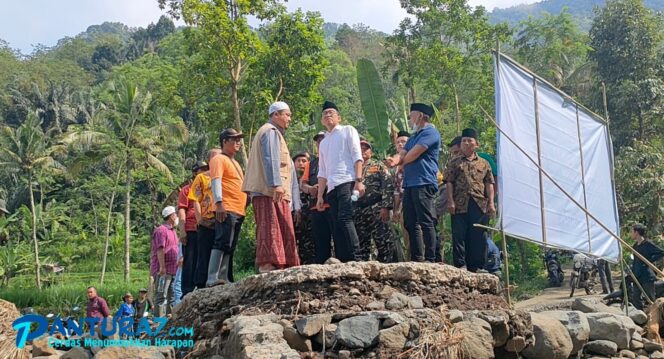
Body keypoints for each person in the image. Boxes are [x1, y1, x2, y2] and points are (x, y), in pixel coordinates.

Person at [242, 101, 300, 272]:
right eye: (287, 114)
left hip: (270, 190)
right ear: (276, 115)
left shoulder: (271, 132)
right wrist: (276, 184)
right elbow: (271, 159)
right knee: (270, 227)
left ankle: (280, 263)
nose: (290, 118)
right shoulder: (270, 132)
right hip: (269, 190)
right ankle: (268, 264)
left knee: (279, 226)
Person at [388, 103, 441, 262]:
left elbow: (413, 154)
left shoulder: (430, 133)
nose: (410, 119)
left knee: (426, 220)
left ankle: (431, 258)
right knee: (410, 222)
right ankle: (418, 258)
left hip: (423, 182)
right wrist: (393, 161)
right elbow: (403, 153)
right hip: (409, 184)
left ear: (420, 115)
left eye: (412, 115)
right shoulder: (413, 137)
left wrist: (400, 162)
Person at [316, 101, 364, 262]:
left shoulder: (347, 131)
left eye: (331, 112)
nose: (328, 115)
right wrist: (319, 196)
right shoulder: (323, 143)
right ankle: (343, 259)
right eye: (325, 114)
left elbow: (357, 156)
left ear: (339, 117)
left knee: (345, 218)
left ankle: (356, 257)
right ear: (322, 121)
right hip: (331, 187)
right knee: (336, 224)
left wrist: (359, 180)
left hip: (347, 181)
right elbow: (322, 172)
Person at [444, 128, 496, 272]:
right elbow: (449, 182)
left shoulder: (484, 163)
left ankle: (478, 266)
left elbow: (489, 183)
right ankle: (461, 265)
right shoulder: (454, 163)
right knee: (459, 235)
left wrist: (491, 203)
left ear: (476, 144)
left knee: (479, 235)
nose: (466, 143)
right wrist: (450, 201)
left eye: (469, 141)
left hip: (479, 204)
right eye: (463, 141)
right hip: (459, 204)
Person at [208, 128, 248, 286]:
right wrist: (219, 202)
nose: (238, 142)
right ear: (225, 142)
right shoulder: (219, 159)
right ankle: (212, 277)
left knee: (230, 244)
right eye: (234, 139)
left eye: (239, 139)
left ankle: (223, 276)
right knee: (221, 241)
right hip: (226, 207)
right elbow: (216, 180)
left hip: (238, 209)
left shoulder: (235, 162)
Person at [352, 139, 398, 262]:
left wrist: (386, 207)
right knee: (361, 243)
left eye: (365, 148)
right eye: (360, 148)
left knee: (383, 241)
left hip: (376, 208)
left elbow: (387, 186)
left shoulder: (378, 166)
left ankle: (386, 268)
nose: (362, 151)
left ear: (371, 152)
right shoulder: (352, 168)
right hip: (358, 210)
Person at [300, 132, 336, 263]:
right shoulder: (311, 164)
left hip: (333, 205)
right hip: (315, 208)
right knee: (320, 242)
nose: (320, 143)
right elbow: (303, 183)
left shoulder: (335, 158)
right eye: (318, 141)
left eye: (323, 140)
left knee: (339, 238)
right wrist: (310, 189)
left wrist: (322, 187)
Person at [188, 150, 222, 288]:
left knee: (222, 249)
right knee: (203, 253)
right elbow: (195, 199)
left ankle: (221, 277)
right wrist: (199, 219)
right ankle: (201, 283)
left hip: (222, 219)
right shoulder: (202, 178)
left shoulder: (224, 176)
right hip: (206, 220)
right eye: (215, 156)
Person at [178, 161, 207, 297]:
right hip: (191, 228)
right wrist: (182, 230)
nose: (204, 172)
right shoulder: (186, 190)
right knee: (189, 261)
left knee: (203, 258)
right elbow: (182, 210)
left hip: (205, 228)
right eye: (201, 170)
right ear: (195, 173)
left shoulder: (207, 189)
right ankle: (187, 291)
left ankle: (202, 287)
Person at [151, 206, 180, 316]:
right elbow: (160, 249)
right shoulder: (161, 230)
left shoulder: (173, 231)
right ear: (171, 216)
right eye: (175, 214)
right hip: (163, 270)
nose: (176, 216)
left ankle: (170, 319)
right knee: (161, 295)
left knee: (172, 296)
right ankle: (158, 321)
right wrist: (162, 267)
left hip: (173, 270)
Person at [630, 223, 664, 310]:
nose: (631, 233)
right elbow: (635, 261)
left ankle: (657, 318)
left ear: (636, 232)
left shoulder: (647, 244)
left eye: (632, 231)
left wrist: (649, 261)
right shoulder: (635, 246)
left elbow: (661, 252)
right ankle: (640, 318)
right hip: (637, 276)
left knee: (651, 299)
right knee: (636, 298)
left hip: (646, 276)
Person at [292, 151, 315, 264]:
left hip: (310, 215)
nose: (301, 164)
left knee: (310, 244)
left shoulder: (312, 177)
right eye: (298, 161)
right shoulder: (290, 179)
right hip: (293, 215)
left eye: (304, 161)